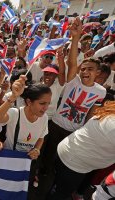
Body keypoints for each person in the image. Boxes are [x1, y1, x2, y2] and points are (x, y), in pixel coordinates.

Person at [40, 17, 107, 176]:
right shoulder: (73, 81)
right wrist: (76, 38)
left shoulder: (101, 92)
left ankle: (54, 176)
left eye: (90, 69)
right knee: (48, 155)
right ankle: (42, 175)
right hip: (56, 125)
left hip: (75, 131)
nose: (85, 72)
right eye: (83, 69)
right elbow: (72, 64)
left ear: (97, 73)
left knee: (64, 159)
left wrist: (85, 128)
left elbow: (91, 110)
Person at [0, 75, 51, 197]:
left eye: (48, 103)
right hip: (9, 160)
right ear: (29, 101)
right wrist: (13, 97)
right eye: (42, 103)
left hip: (27, 163)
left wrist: (37, 150)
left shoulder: (44, 117)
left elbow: (41, 137)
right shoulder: (15, 113)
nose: (46, 108)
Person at [47, 101, 115, 200]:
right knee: (60, 194)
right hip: (73, 164)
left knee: (58, 186)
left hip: (70, 153)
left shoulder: (112, 112)